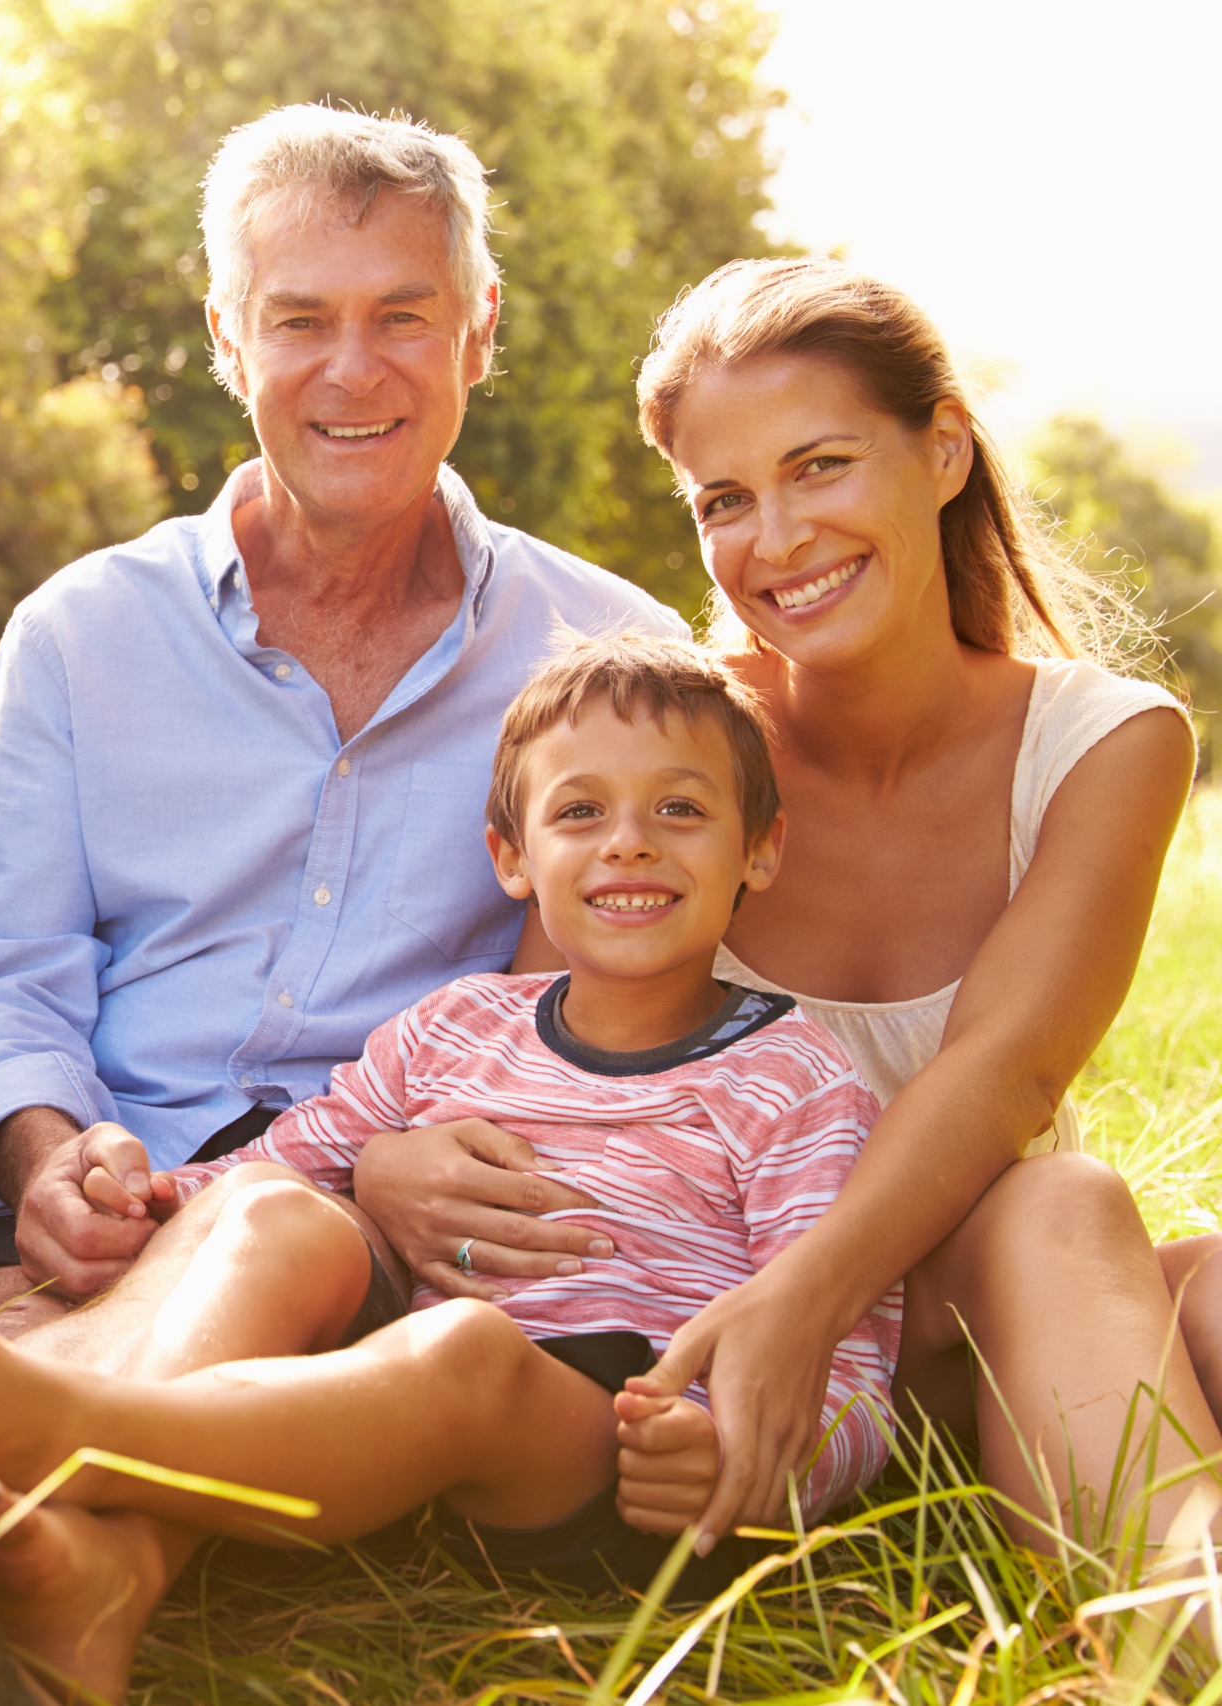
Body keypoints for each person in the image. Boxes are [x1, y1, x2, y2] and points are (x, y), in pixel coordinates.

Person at [0, 633, 903, 1699]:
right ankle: (91, 1571)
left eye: (680, 808)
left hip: (618, 1450)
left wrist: (748, 1461)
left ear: (760, 844)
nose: (628, 842)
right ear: (510, 857)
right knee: (280, 1212)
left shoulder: (797, 1080)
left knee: (465, 1345)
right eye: (578, 811)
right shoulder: (455, 1025)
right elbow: (286, 1158)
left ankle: (72, 1424)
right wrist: (142, 1187)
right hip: (399, 1415)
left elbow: (848, 1361)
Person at [352, 256, 1222, 1563]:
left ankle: (1176, 1617)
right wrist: (379, 1163)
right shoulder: (676, 755)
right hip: (698, 1353)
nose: (777, 537)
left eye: (820, 466)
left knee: (1088, 1224)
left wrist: (805, 1300)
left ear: (942, 451)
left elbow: (1005, 1071)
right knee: (1079, 1218)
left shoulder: (1106, 739)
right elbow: (539, 1052)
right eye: (725, 498)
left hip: (946, 1314)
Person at [0, 103, 682, 1341]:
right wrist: (42, 1159)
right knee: (18, 1314)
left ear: (478, 330)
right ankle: (62, 1494)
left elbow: (652, 989)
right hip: (104, 1188)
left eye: (402, 317)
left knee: (135, 1321)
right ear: (228, 337)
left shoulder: (610, 655)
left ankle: (10, 1443)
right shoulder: (83, 631)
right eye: (299, 321)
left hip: (389, 1229)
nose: (353, 370)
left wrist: (419, 1152)